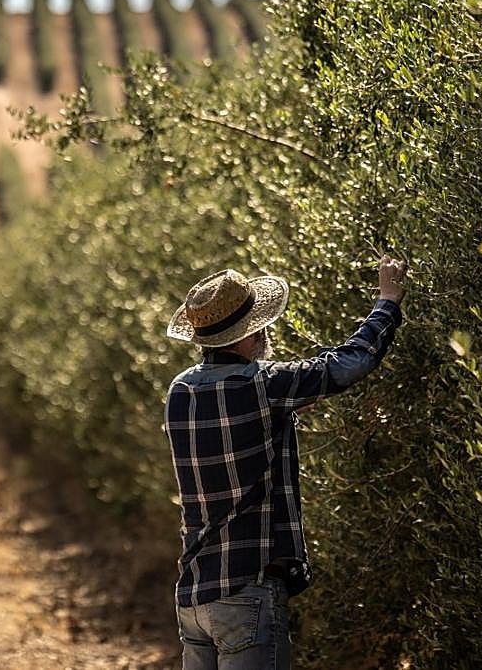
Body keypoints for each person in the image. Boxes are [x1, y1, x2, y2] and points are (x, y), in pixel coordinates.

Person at [162, 254, 407, 670]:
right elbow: (348, 364)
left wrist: (279, 411)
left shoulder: (180, 390)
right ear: (246, 335)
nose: (264, 332)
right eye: (258, 326)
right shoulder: (262, 384)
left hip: (195, 594)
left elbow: (230, 429)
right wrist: (388, 300)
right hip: (246, 593)